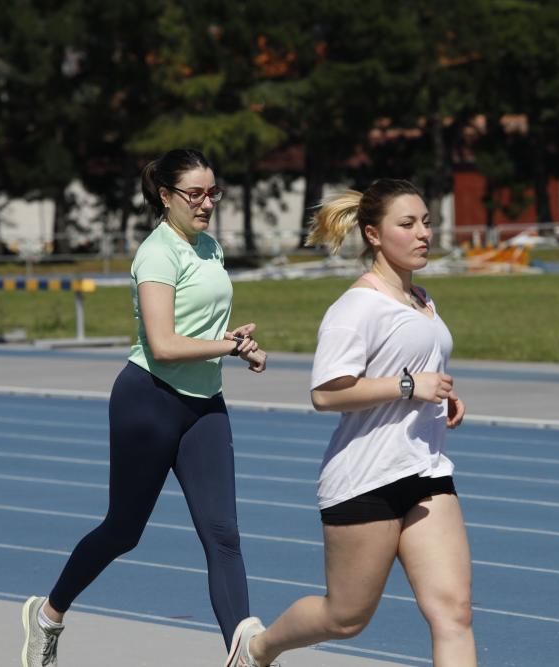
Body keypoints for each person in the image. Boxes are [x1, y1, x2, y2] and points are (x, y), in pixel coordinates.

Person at [21, 148, 267, 667]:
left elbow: (196, 328)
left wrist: (234, 341)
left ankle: (241, 657)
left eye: (212, 192)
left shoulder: (210, 247)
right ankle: (48, 614)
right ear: (165, 196)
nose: (207, 203)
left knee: (223, 535)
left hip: (204, 404)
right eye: (194, 194)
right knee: (123, 531)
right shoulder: (157, 253)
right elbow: (163, 344)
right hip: (149, 401)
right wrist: (225, 347)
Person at [224, 179, 476, 667]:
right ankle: (258, 648)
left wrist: (442, 395)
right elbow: (325, 392)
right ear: (373, 235)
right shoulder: (355, 307)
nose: (423, 233)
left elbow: (414, 367)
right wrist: (409, 387)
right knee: (346, 617)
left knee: (454, 612)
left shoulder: (422, 298)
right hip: (366, 480)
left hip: (425, 471)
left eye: (426, 221)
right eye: (407, 224)